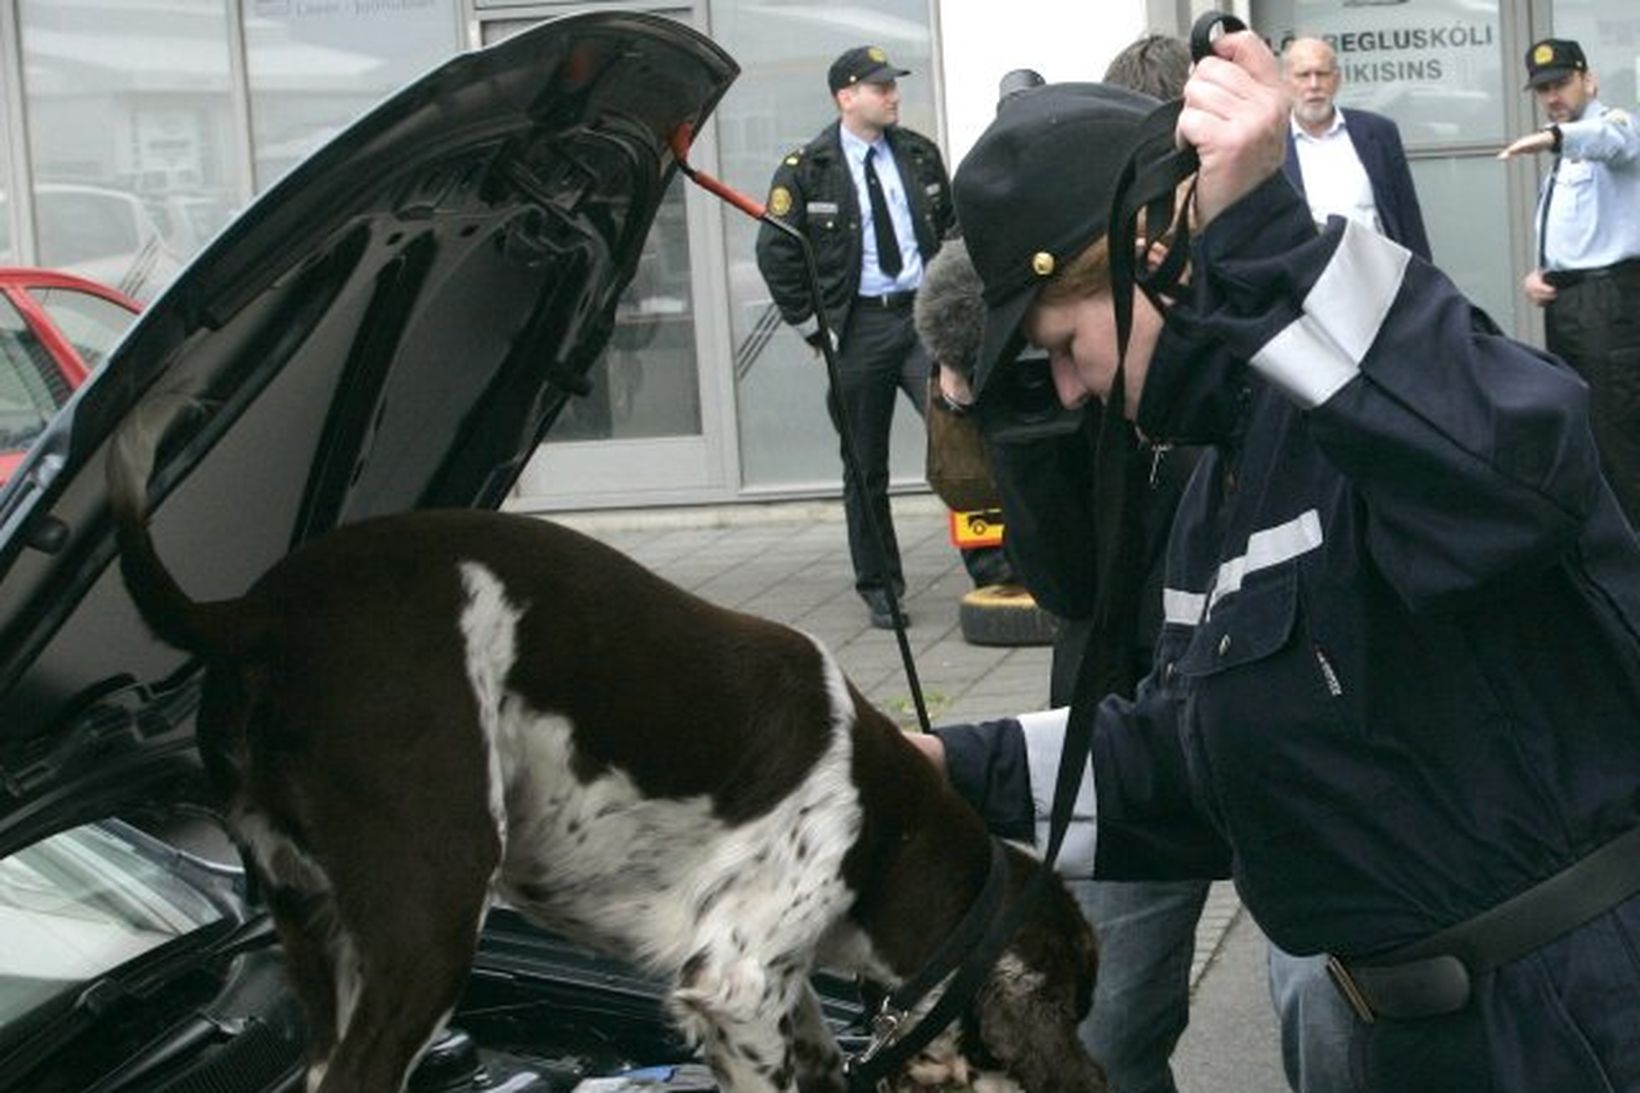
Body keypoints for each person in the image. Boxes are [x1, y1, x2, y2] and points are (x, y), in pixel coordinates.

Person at [916, 26, 1640, 1091]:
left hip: (1564, 1025)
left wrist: (1259, 238)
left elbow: (1506, 474)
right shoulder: (1216, 474)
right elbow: (1194, 763)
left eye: (1065, 346)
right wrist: (936, 774)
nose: (1068, 392)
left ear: (1150, 257)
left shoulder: (1357, 403)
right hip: (1406, 1040)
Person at [755, 46, 1010, 629]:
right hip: (859, 326)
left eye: (893, 85)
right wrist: (816, 329)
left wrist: (955, 316)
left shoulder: (919, 156)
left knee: (963, 438)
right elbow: (776, 250)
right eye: (880, 87)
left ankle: (992, 565)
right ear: (847, 97)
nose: (893, 95)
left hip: (921, 318)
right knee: (863, 463)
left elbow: (952, 232)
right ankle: (880, 587)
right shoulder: (807, 168)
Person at [1499, 37, 1640, 529]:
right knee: (1582, 431)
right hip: (1571, 305)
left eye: (1561, 84)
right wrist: (1542, 273)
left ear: (1589, 79)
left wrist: (1555, 138)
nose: (1552, 97)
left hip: (1610, 306)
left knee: (1619, 438)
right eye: (1543, 89)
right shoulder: (1567, 144)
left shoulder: (1613, 128)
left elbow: (1614, 140)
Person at [1281, 37, 1432, 260]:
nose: (1313, 85)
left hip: (1378, 274)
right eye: (1303, 75)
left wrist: (1423, 284)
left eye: (1322, 74)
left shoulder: (1379, 133)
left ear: (1337, 79)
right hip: (1308, 282)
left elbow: (1407, 216)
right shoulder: (1269, 143)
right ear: (1286, 83)